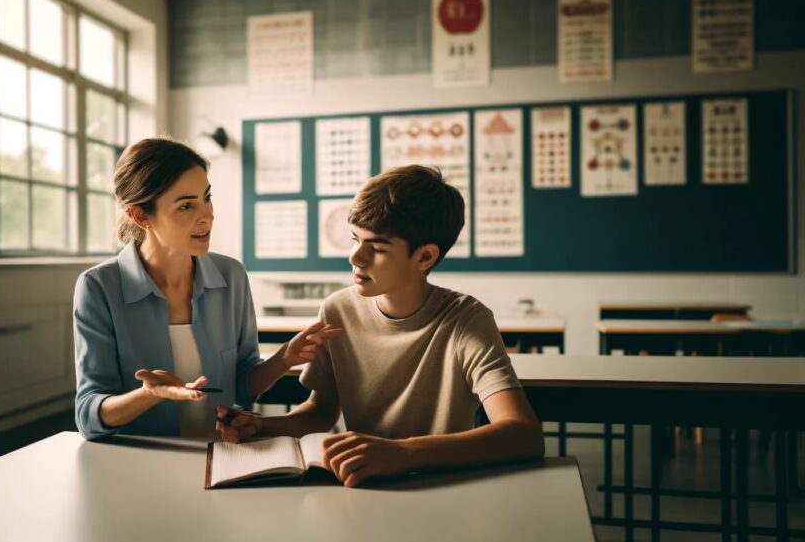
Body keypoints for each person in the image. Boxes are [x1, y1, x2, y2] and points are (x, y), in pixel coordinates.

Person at [217, 165, 544, 487]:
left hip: (443, 488)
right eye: (355, 240)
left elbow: (523, 434)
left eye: (376, 248)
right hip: (362, 486)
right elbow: (321, 411)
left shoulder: (466, 320)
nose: (356, 258)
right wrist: (263, 427)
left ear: (425, 258)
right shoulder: (338, 309)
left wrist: (404, 453)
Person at [74, 137, 340, 440]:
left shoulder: (231, 276)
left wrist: (284, 360)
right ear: (140, 216)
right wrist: (150, 394)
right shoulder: (98, 287)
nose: (207, 215)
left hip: (222, 455)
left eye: (207, 197)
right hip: (142, 462)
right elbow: (89, 416)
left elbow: (241, 387)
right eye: (186, 205)